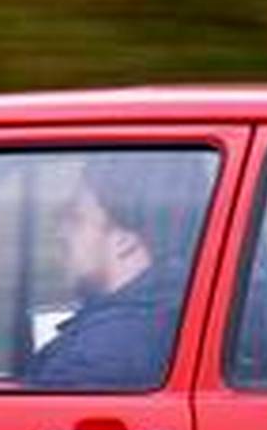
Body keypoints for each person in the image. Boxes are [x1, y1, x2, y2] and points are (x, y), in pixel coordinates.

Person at [25, 152, 208, 389]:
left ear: (125, 241)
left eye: (77, 219)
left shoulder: (98, 359)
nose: (61, 234)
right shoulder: (164, 318)